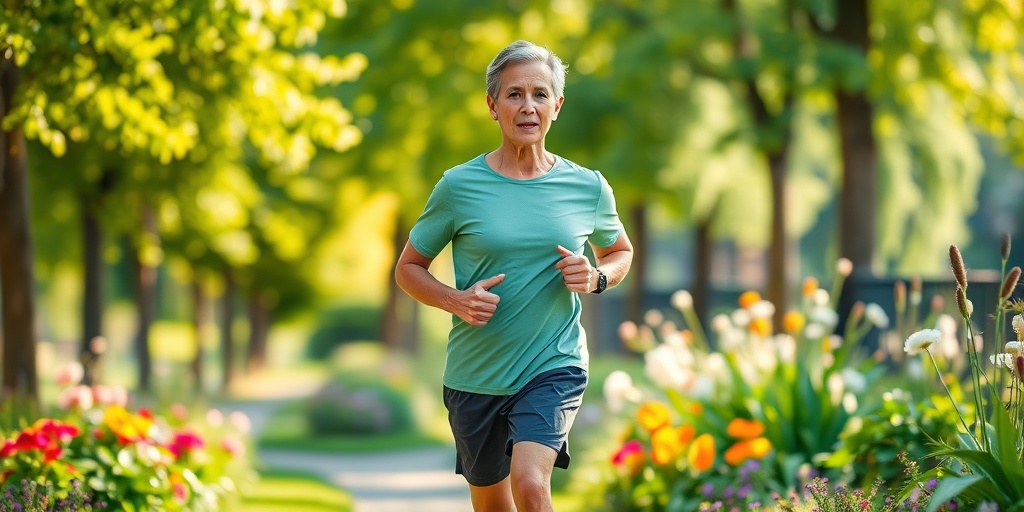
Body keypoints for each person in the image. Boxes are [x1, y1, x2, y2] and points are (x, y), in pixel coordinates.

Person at [394, 40, 633, 512]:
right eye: (514, 94)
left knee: (530, 484)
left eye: (540, 95)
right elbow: (407, 269)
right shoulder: (458, 187)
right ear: (492, 106)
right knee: (492, 505)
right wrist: (456, 300)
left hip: (554, 362)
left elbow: (620, 252)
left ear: (557, 106)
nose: (528, 107)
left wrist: (597, 277)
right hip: (476, 374)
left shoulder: (588, 186)